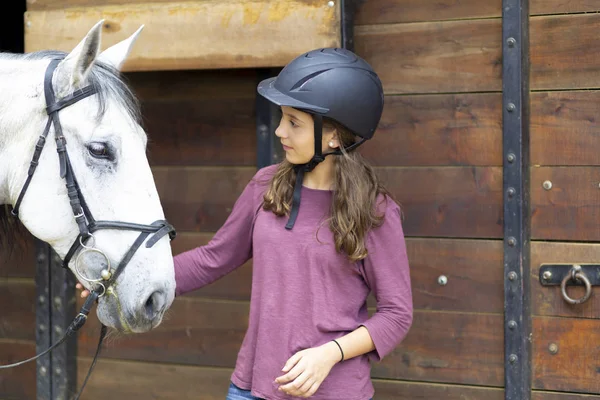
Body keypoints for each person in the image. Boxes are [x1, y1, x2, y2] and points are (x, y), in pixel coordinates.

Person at [78, 47, 412, 400]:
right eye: (282, 117)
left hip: (334, 392)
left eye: (294, 122)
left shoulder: (373, 211)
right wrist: (125, 278)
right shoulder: (266, 187)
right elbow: (214, 258)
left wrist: (330, 354)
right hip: (251, 388)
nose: (281, 130)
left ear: (334, 136)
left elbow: (396, 314)